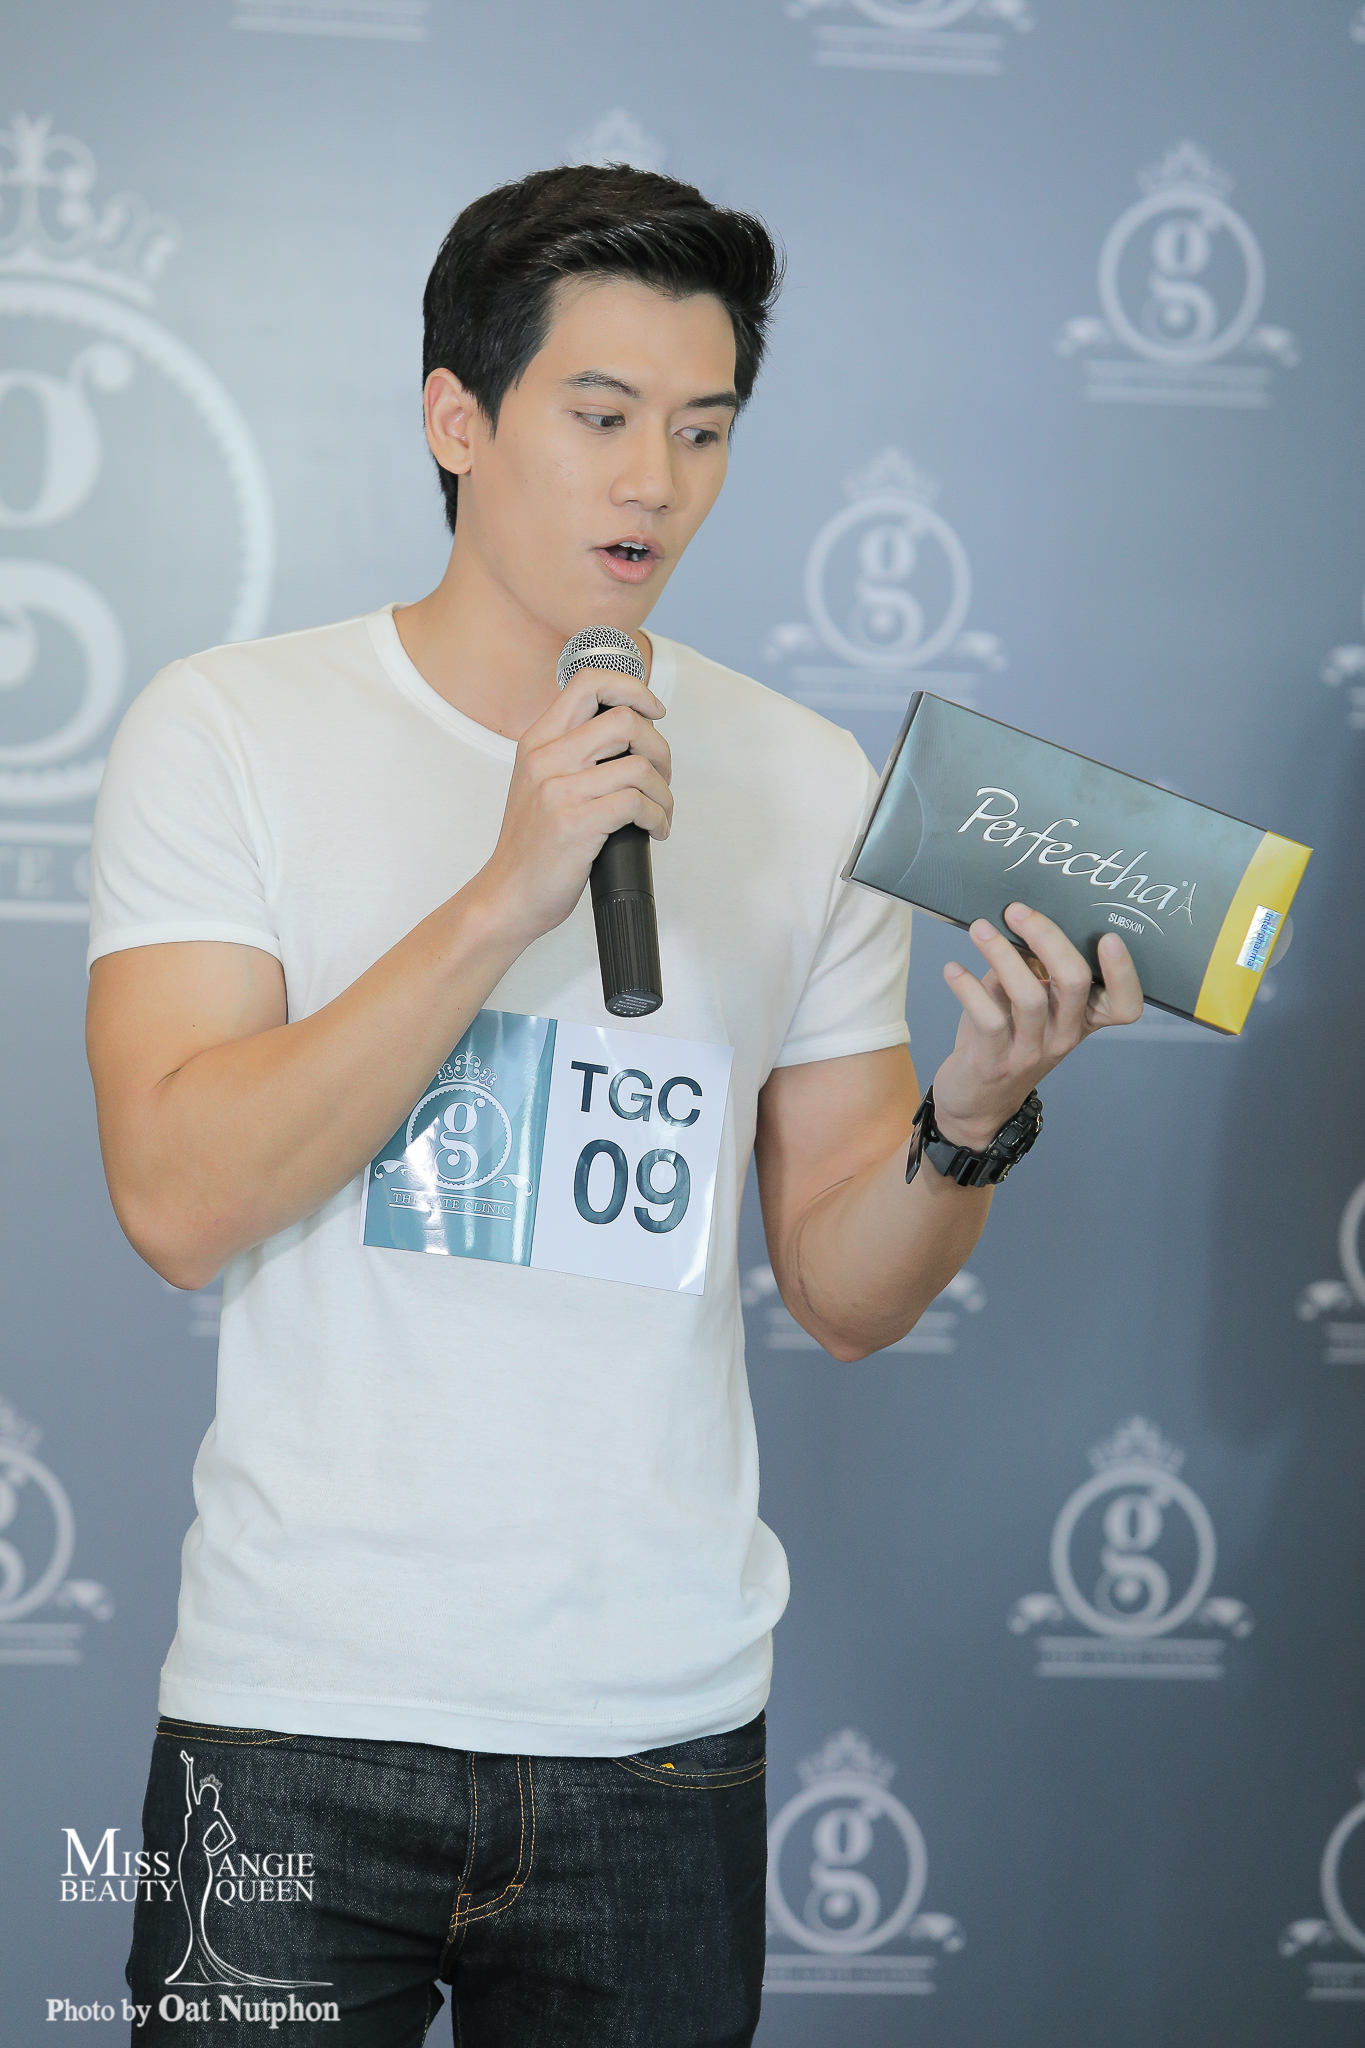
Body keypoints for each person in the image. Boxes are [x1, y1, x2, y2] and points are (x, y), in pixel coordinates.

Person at [86, 164, 1143, 2045]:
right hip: (294, 1712)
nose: (655, 481)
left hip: (654, 1738)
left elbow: (846, 1291)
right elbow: (176, 1196)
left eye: (703, 429)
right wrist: (505, 894)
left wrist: (972, 1109)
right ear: (457, 418)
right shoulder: (230, 726)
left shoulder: (805, 780)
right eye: (599, 417)